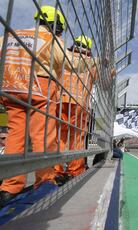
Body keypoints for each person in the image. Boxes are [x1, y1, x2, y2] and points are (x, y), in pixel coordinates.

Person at [0, 5, 91, 207]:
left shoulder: (12, 35)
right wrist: (93, 63)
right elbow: (72, 64)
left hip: (11, 88)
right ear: (57, 25)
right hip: (39, 90)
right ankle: (45, 181)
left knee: (16, 136)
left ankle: (10, 186)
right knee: (44, 137)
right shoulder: (51, 40)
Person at [54, 35, 96, 177]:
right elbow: (106, 84)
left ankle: (56, 171)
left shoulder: (64, 55)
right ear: (89, 49)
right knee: (77, 138)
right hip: (80, 103)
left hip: (59, 100)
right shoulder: (91, 62)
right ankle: (75, 171)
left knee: (59, 137)